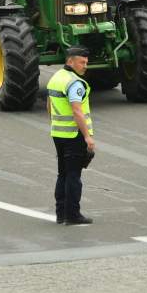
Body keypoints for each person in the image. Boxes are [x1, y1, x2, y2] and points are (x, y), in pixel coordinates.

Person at [48, 45, 95, 225]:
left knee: (62, 174)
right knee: (74, 175)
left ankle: (61, 214)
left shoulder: (56, 78)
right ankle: (73, 215)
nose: (85, 66)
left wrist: (54, 123)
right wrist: (88, 137)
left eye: (86, 63)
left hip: (58, 133)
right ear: (70, 61)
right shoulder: (75, 83)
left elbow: (49, 105)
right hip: (74, 135)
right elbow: (77, 111)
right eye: (81, 62)